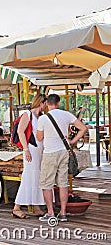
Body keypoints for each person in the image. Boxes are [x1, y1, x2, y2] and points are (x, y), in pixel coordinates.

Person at [36, 94, 87, 222]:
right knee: (63, 183)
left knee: (46, 184)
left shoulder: (43, 119)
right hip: (64, 151)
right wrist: (72, 141)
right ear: (58, 103)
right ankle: (63, 213)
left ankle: (50, 212)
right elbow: (83, 128)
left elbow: (39, 138)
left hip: (50, 153)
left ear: (47, 103)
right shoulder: (66, 115)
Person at [12, 94, 47, 219]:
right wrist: (26, 149)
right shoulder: (28, 114)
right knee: (28, 176)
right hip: (31, 149)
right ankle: (17, 206)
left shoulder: (40, 116)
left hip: (39, 150)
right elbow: (20, 131)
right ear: (41, 103)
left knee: (37, 177)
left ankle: (36, 206)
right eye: (45, 103)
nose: (46, 106)